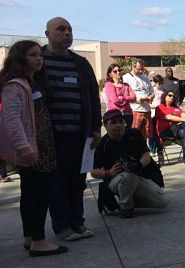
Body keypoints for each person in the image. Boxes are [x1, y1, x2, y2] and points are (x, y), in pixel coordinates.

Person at [0, 40, 69, 257]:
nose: (39, 58)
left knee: (29, 193)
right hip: (33, 148)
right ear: (20, 58)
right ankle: (39, 241)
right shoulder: (15, 84)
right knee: (39, 193)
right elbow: (11, 119)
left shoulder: (31, 81)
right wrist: (25, 147)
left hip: (40, 146)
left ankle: (30, 237)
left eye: (40, 54)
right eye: (32, 55)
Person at [43, 17, 100, 241]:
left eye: (69, 29)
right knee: (56, 184)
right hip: (51, 137)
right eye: (60, 29)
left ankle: (78, 223)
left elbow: (93, 98)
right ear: (47, 34)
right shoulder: (38, 60)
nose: (67, 33)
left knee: (77, 182)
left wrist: (95, 128)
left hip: (79, 135)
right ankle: (62, 226)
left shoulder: (80, 63)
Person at [91, 110, 169, 219]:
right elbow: (93, 172)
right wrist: (108, 172)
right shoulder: (103, 144)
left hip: (138, 175)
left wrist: (138, 165)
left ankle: (129, 199)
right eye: (113, 122)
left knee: (163, 202)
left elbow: (146, 155)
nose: (118, 125)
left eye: (121, 122)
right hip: (116, 181)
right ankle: (126, 207)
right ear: (106, 125)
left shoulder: (134, 134)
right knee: (128, 176)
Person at [155, 89, 185, 164]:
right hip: (166, 131)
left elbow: (183, 115)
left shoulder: (176, 108)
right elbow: (168, 117)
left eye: (173, 96)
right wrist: (183, 120)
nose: (172, 97)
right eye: (169, 95)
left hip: (176, 130)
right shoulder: (160, 107)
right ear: (164, 96)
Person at [123, 59, 154, 140]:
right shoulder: (126, 78)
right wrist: (138, 100)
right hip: (135, 110)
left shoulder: (145, 78)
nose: (140, 71)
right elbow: (125, 95)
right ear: (133, 67)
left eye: (142, 69)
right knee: (134, 135)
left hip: (147, 110)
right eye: (138, 69)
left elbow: (152, 91)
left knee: (146, 135)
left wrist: (151, 97)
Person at [104, 63, 136, 127]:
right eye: (115, 71)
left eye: (119, 70)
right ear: (110, 74)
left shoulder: (126, 85)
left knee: (128, 134)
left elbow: (134, 97)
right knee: (117, 134)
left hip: (128, 114)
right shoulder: (109, 84)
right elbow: (114, 100)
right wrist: (127, 99)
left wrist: (122, 97)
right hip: (115, 114)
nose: (118, 72)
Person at [148, 74, 165, 156]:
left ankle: (159, 148)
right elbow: (149, 104)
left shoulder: (163, 92)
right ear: (155, 83)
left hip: (160, 114)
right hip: (152, 113)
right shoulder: (152, 91)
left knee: (158, 132)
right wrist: (154, 106)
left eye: (162, 83)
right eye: (159, 84)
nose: (161, 85)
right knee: (152, 132)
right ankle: (151, 149)